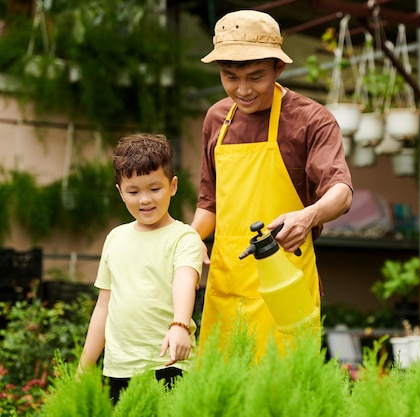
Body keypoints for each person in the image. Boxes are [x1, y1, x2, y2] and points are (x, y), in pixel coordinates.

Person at [191, 10, 353, 356]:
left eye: (256, 76)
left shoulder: (311, 120)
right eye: (230, 76)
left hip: (286, 286)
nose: (243, 90)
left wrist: (307, 216)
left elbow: (341, 192)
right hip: (227, 284)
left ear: (279, 68)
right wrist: (184, 244)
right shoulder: (217, 118)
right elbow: (209, 205)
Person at [78, 133, 204, 404]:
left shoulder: (183, 237)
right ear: (120, 192)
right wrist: (84, 367)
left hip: (169, 362)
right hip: (119, 368)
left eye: (154, 188)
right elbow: (103, 307)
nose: (145, 199)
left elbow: (184, 281)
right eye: (133, 191)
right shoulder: (115, 238)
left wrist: (180, 325)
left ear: (172, 186)